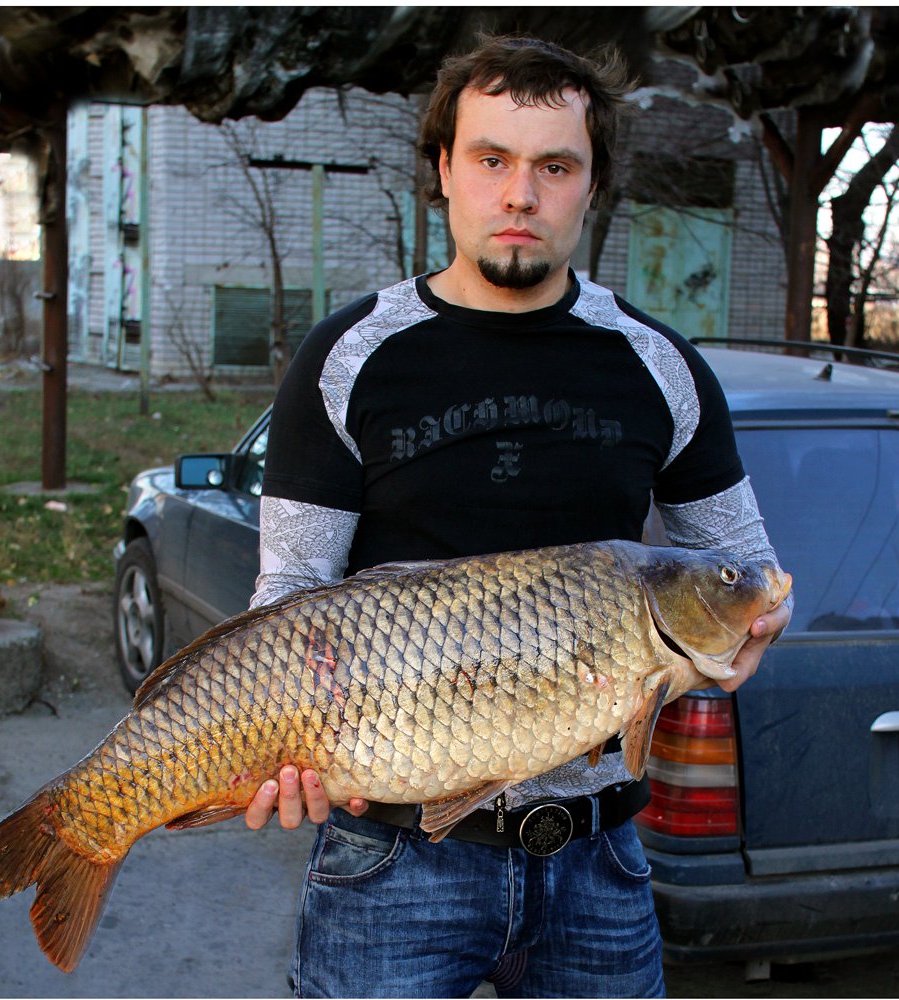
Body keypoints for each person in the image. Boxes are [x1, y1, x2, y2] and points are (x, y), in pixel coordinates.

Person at [244, 34, 791, 998]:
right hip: (389, 858)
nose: (520, 195)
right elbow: (291, 593)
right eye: (491, 159)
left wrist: (752, 633)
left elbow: (747, 569)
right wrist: (276, 743)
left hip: (598, 865)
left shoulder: (659, 364)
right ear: (444, 169)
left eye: (555, 166)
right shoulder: (348, 355)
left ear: (593, 184)